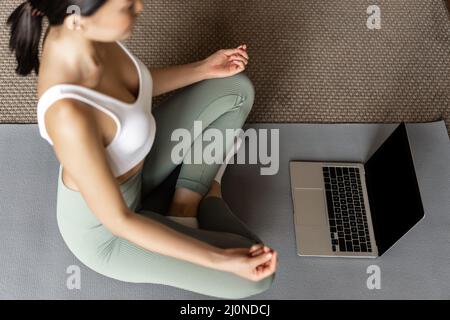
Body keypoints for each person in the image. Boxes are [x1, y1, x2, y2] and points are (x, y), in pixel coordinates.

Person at [7, 0, 277, 299]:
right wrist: (221, 260)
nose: (140, 7)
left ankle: (184, 207)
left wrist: (203, 69)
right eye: (126, 6)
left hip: (139, 163)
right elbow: (120, 220)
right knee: (257, 277)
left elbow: (133, 87)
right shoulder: (68, 115)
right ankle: (206, 198)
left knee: (235, 89)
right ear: (77, 19)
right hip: (110, 232)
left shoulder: (85, 32)